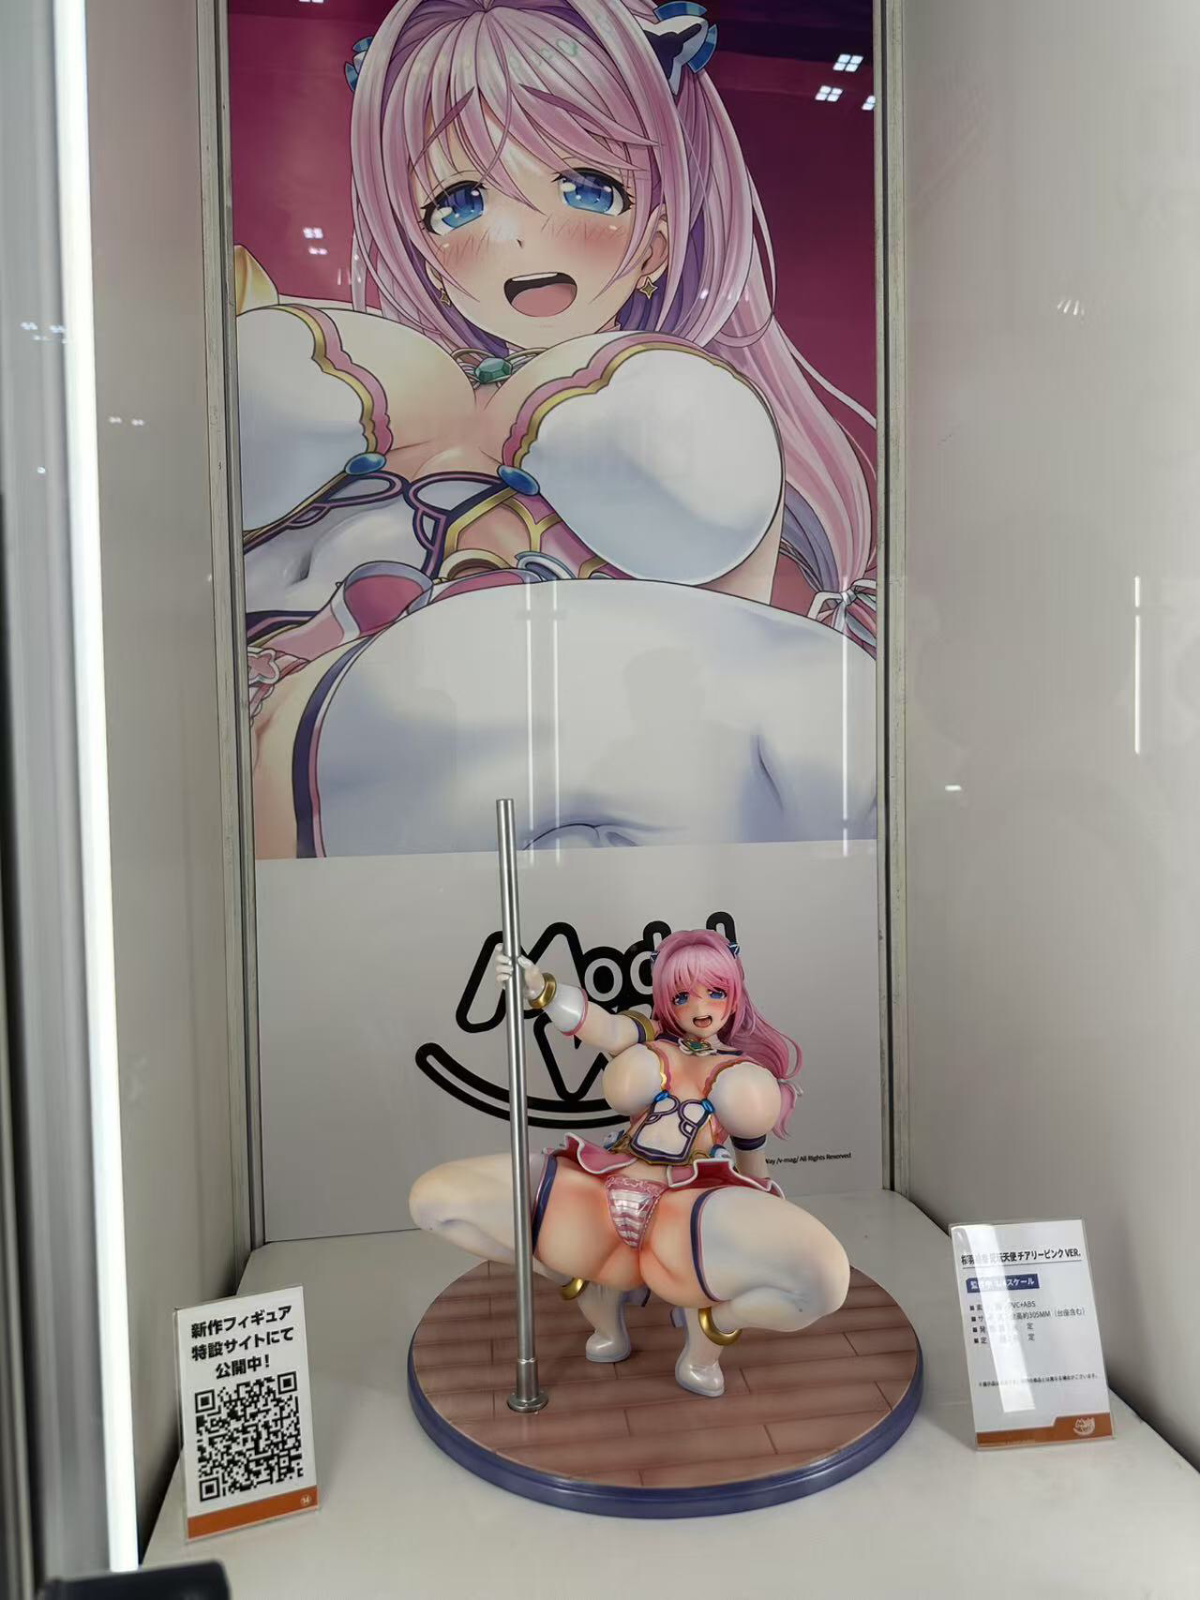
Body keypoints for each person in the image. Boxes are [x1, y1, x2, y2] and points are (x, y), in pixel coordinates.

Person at [239, 0, 877, 857]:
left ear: (655, 243)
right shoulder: (396, 399)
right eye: (459, 203)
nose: (517, 234)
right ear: (422, 250)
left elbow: (716, 626)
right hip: (367, 773)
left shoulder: (695, 417)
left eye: (586, 189)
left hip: (647, 807)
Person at [409, 928, 849, 1396]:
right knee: (434, 1201)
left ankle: (710, 1334)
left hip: (690, 1207)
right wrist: (542, 990)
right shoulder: (649, 1033)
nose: (700, 1008)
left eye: (715, 992)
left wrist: (768, 1228)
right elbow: (600, 1026)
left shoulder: (747, 1072)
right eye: (682, 995)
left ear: (734, 993)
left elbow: (753, 1165)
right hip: (607, 1183)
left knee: (820, 1278)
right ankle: (583, 1291)